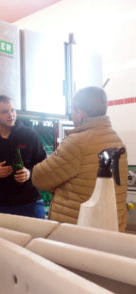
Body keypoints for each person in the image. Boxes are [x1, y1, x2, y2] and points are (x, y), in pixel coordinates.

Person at [31, 86, 128, 231]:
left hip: (80, 229)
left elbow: (39, 177)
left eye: (72, 110)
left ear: (80, 113)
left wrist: (58, 184)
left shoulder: (77, 142)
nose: (72, 115)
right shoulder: (117, 140)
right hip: (112, 225)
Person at [0, 95, 47, 218]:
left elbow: (44, 165)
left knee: (36, 237)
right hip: (0, 205)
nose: (11, 115)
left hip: (30, 203)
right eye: (5, 112)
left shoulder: (30, 135)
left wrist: (29, 173)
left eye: (13, 110)